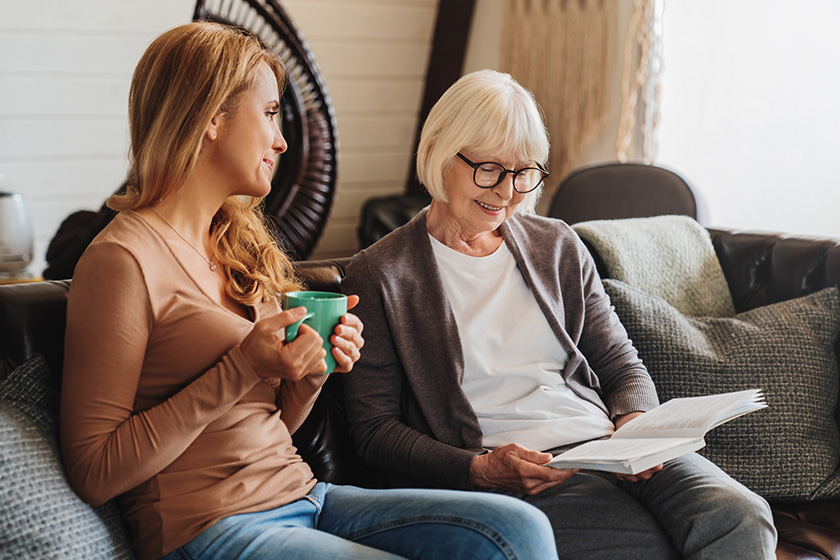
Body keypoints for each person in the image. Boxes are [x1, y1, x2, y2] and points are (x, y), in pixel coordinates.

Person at [59, 24, 559, 560]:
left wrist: (309, 372)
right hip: (207, 526)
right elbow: (94, 471)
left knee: (519, 530)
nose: (281, 139)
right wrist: (242, 367)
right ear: (210, 119)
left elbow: (271, 423)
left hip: (304, 497)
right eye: (270, 113)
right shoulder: (122, 260)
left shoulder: (238, 245)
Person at [341, 69, 778, 560]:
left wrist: (637, 420)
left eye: (524, 172)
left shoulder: (557, 246)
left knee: (742, 515)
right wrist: (479, 469)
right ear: (440, 151)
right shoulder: (379, 275)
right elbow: (374, 433)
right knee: (644, 546)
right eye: (488, 169)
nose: (507, 193)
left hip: (610, 446)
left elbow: (620, 364)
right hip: (520, 472)